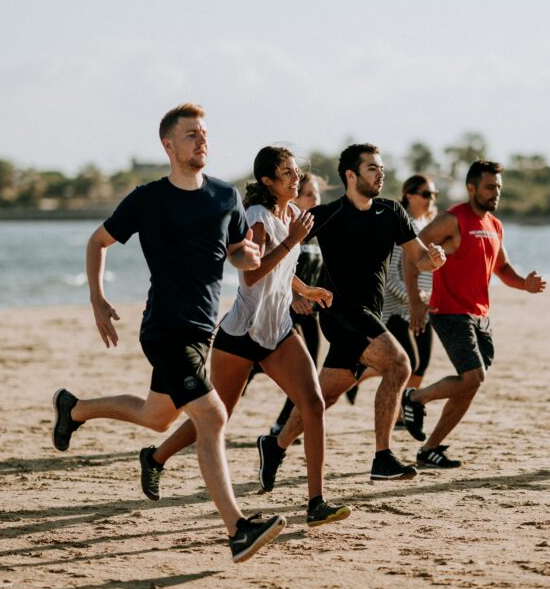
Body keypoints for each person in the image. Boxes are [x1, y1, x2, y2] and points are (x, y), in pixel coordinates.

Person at [49, 104, 286, 563]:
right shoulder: (148, 199)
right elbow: (97, 242)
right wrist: (97, 298)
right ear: (169, 145)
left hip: (202, 330)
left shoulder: (224, 196)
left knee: (156, 417)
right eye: (191, 134)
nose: (202, 141)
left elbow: (238, 252)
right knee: (213, 417)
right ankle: (237, 528)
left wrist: (249, 257)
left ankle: (74, 409)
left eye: (204, 133)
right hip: (164, 329)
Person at [136, 148, 351, 528]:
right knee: (217, 416)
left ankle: (316, 502)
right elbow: (252, 275)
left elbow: (281, 271)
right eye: (287, 173)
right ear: (268, 181)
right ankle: (155, 458)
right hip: (240, 334)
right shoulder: (257, 219)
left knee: (313, 403)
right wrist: (292, 241)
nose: (295, 178)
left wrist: (305, 290)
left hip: (277, 330)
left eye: (296, 171)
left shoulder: (292, 216)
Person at [258, 143, 447, 488]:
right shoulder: (327, 214)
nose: (381, 174)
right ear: (351, 175)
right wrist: (294, 293)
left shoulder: (392, 212)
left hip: (369, 313)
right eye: (372, 168)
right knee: (399, 364)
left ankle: (275, 445)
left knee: (324, 397)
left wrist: (432, 259)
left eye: (381, 168)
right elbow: (279, 253)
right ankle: (382, 457)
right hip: (341, 312)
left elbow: (418, 257)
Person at [400, 160, 546, 468]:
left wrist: (525, 285)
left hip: (480, 315)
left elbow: (502, 268)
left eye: (499, 188)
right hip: (449, 312)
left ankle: (430, 449)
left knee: (471, 384)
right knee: (473, 377)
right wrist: (414, 300)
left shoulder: (494, 224)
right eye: (489, 187)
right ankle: (415, 398)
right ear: (471, 188)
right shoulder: (451, 220)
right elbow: (410, 254)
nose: (496, 193)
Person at [381, 174, 440, 435]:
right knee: (410, 362)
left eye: (434, 195)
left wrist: (428, 300)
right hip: (396, 308)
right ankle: (396, 413)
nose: (431, 199)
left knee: (422, 363)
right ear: (410, 195)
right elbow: (391, 275)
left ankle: (404, 412)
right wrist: (414, 299)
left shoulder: (430, 226)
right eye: (426, 194)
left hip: (423, 306)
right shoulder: (401, 227)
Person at [269, 172, 327, 435]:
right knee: (254, 369)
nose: (316, 199)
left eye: (318, 194)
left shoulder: (318, 232)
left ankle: (282, 423)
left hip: (310, 315)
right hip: (284, 312)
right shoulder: (289, 231)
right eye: (309, 194)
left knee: (308, 373)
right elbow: (274, 268)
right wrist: (294, 297)